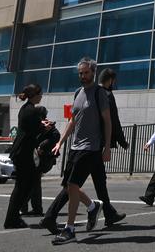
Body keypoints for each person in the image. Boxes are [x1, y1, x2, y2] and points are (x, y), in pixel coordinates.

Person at [47, 58, 112, 245]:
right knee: (68, 186)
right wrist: (60, 142)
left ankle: (70, 229)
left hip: (91, 148)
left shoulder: (100, 93)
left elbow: (107, 122)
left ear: (93, 72)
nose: (82, 76)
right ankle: (92, 206)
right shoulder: (78, 93)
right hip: (75, 146)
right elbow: (72, 121)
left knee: (73, 185)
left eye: (85, 73)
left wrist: (107, 147)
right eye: (80, 73)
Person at [4, 84, 51, 228]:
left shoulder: (26, 109)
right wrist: (45, 127)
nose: (42, 96)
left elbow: (30, 127)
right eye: (40, 94)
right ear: (35, 95)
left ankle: (13, 217)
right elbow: (33, 130)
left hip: (22, 152)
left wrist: (41, 125)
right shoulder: (31, 111)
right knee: (23, 186)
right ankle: (12, 219)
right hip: (23, 152)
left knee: (24, 185)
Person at [21, 104, 50, 217]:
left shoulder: (41, 125)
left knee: (29, 184)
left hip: (35, 158)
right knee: (34, 184)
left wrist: (41, 147)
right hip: (35, 158)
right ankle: (35, 208)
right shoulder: (39, 125)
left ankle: (25, 206)